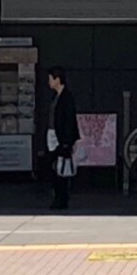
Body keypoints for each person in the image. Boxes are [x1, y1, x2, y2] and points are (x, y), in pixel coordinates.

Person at [40, 66, 80, 209]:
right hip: (53, 135)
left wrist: (66, 141)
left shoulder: (67, 98)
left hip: (61, 137)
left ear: (57, 79)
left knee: (60, 167)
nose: (49, 82)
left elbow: (69, 120)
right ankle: (59, 196)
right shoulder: (55, 97)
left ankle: (62, 198)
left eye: (51, 79)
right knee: (53, 167)